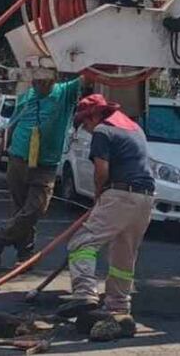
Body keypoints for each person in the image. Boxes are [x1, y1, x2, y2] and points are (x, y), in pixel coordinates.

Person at [58, 94, 155, 339]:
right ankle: (119, 307)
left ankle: (84, 294)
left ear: (93, 116)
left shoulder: (103, 130)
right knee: (124, 254)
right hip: (145, 198)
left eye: (84, 123)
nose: (86, 129)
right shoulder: (133, 127)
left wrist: (99, 195)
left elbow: (102, 170)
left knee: (82, 243)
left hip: (120, 193)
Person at [0, 71, 83, 268]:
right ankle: (25, 255)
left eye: (43, 80)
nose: (39, 84)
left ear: (53, 79)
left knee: (36, 209)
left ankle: (0, 237)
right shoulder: (27, 95)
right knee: (20, 210)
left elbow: (87, 74)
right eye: (36, 80)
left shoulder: (65, 92)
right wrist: (2, 152)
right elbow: (14, 123)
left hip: (45, 163)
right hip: (19, 157)